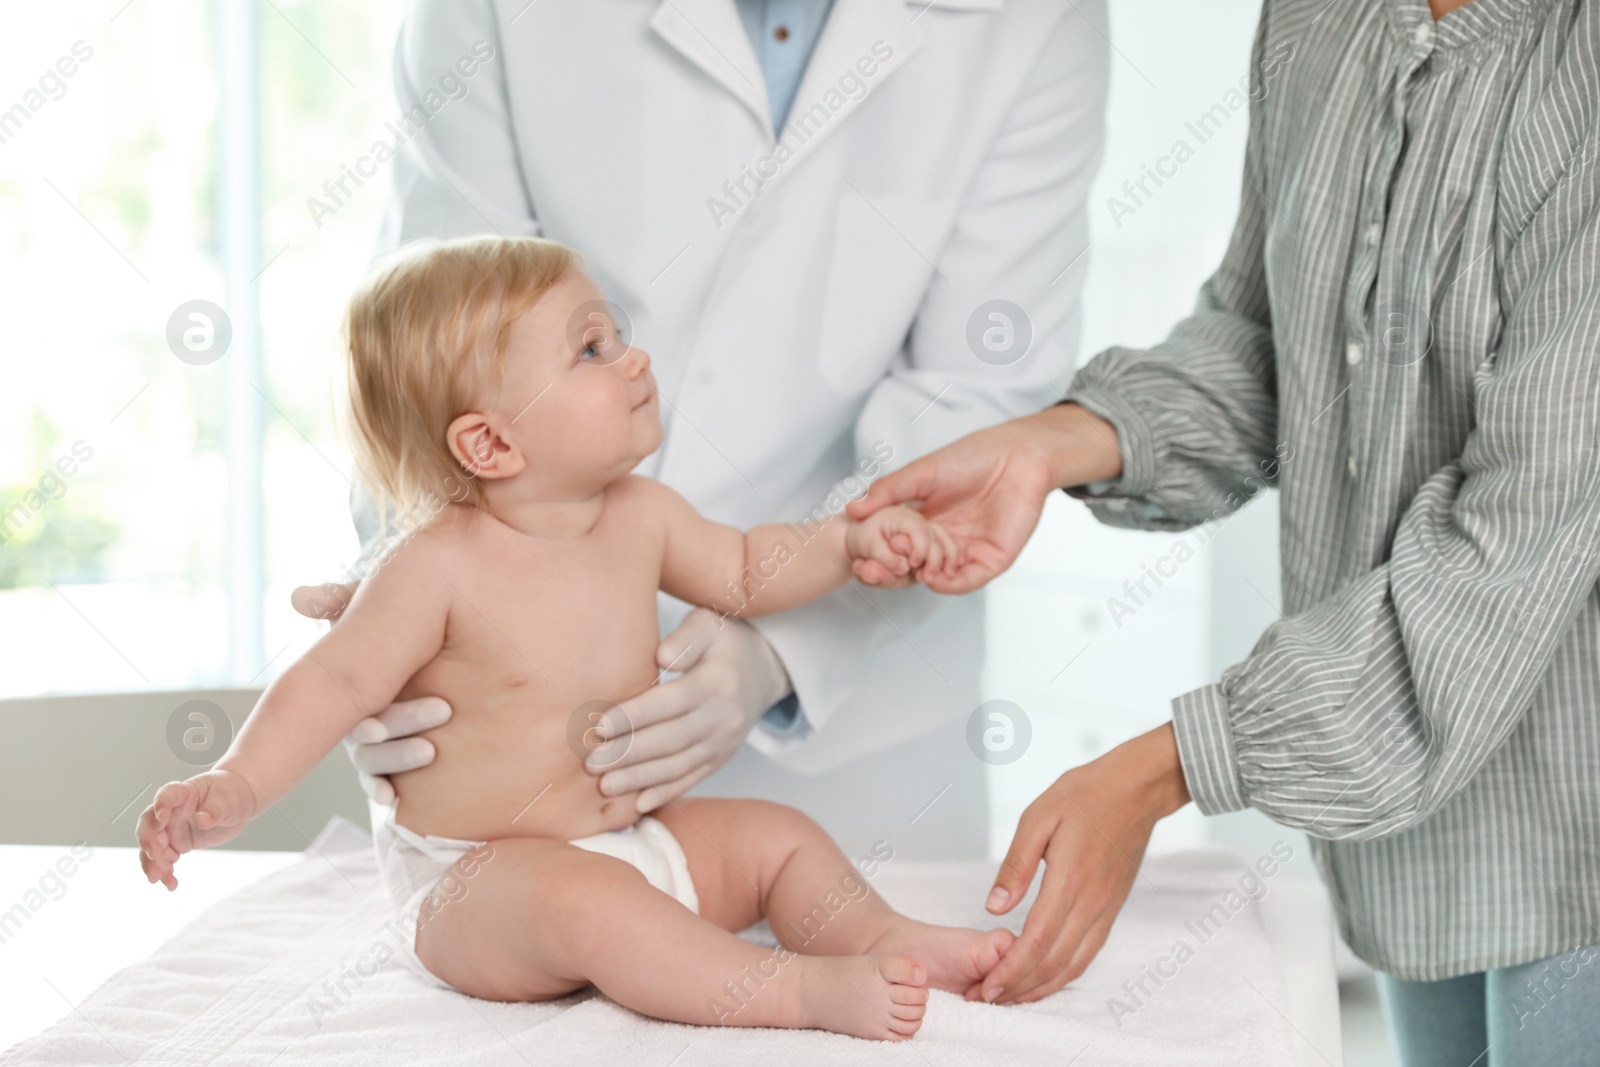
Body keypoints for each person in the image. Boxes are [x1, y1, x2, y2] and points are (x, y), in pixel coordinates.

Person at [851, 0, 1600, 1060]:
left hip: (1576, 831)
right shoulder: (1316, 18)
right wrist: (1061, 440)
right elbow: (1267, 338)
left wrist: (1168, 766)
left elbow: (1510, 541)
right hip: (1411, 848)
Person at [141, 236, 1014, 1041]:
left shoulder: (641, 515)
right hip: (479, 884)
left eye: (617, 335)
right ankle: (791, 990)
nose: (634, 360)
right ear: (489, 442)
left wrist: (849, 544)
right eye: (590, 349)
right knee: (586, 899)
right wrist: (238, 781)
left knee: (776, 835)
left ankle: (879, 934)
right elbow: (332, 681)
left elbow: (749, 564)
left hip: (636, 844)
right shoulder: (435, 565)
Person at [303, 0, 1109, 862]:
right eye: (593, 345)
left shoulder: (1032, 20)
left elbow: (977, 398)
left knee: (861, 957)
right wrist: (393, 623)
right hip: (507, 750)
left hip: (859, 750)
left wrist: (775, 654)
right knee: (538, 952)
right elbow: (425, 351)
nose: (631, 362)